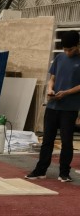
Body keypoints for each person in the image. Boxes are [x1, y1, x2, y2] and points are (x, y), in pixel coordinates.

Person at [26, 30, 80, 182]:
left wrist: (67, 92)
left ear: (77, 45)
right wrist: (50, 89)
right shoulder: (59, 58)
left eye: (70, 49)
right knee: (47, 140)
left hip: (69, 108)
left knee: (66, 142)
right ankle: (40, 170)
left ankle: (64, 173)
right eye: (65, 49)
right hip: (53, 106)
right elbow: (52, 79)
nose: (67, 52)